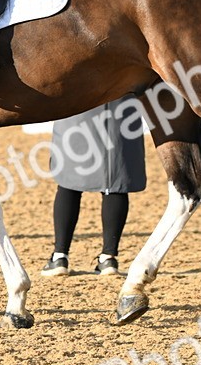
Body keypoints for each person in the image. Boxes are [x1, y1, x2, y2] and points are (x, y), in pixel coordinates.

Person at [40, 97, 147, 277]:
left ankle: (59, 256)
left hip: (79, 102)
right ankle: (108, 258)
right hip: (121, 103)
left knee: (68, 181)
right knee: (115, 181)